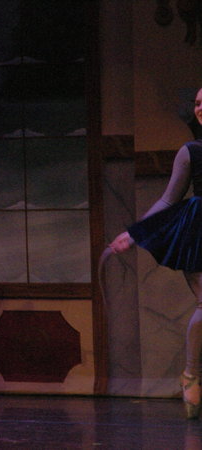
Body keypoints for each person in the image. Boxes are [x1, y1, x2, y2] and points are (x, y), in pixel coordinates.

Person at [109, 86, 202, 420]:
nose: (200, 108)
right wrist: (135, 233)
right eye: (197, 103)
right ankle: (191, 373)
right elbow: (168, 199)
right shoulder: (191, 151)